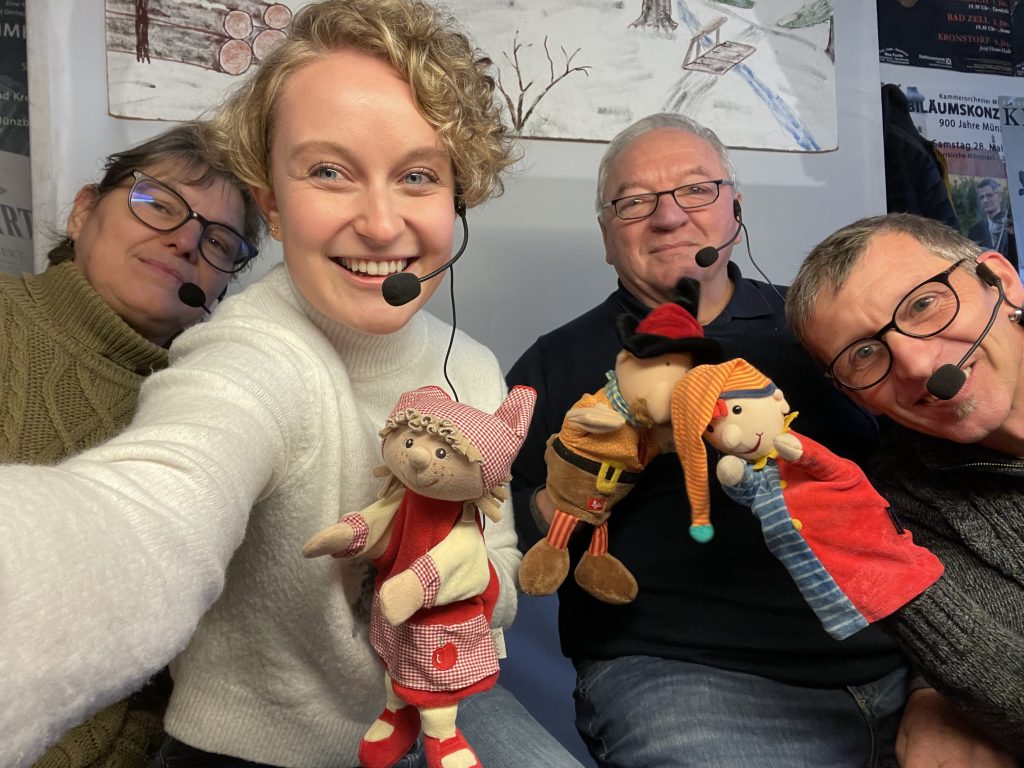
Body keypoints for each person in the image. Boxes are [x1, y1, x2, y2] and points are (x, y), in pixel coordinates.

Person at [0, 2, 584, 768]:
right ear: (273, 204)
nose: (381, 225)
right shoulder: (248, 352)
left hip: (434, 700)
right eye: (329, 172)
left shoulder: (470, 367)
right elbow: (156, 504)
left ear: (456, 198)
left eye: (417, 176)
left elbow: (501, 565)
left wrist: (460, 579)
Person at [506, 112, 917, 767]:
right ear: (607, 237)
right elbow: (494, 523)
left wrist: (932, 684)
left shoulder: (824, 329)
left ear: (736, 208)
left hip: (902, 656)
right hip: (685, 677)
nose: (669, 217)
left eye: (696, 190)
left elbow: (936, 482)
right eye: (633, 201)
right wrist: (569, 499)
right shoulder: (554, 363)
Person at [0, 120, 262, 768]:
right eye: (158, 203)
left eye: (219, 240)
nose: (186, 240)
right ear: (83, 210)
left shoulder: (221, 409)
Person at [786, 212, 1024, 763]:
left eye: (923, 304)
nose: (916, 365)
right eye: (864, 354)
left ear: (1001, 281)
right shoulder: (908, 501)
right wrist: (876, 557)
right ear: (855, 397)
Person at [969, 178, 1017, 269]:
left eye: (989, 195)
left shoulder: (1011, 224)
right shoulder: (975, 230)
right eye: (981, 197)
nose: (985, 200)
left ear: (1000, 197)